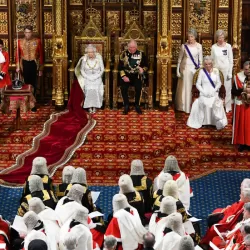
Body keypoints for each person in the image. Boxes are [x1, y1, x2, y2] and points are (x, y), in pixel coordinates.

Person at [187, 56, 228, 130]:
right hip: (204, 93)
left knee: (215, 103)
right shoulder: (201, 71)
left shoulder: (216, 71)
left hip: (213, 92)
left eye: (209, 64)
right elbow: (198, 84)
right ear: (204, 64)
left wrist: (214, 90)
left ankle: (214, 123)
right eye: (206, 64)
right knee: (203, 103)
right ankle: (204, 122)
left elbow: (219, 83)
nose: (207, 66)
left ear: (212, 63)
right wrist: (203, 91)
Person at [16, 25, 43, 112]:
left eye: (29, 32)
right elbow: (17, 55)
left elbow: (41, 55)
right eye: (26, 32)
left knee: (33, 84)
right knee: (26, 84)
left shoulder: (37, 41)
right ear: (24, 33)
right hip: (24, 64)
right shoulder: (20, 42)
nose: (28, 34)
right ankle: (26, 103)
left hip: (34, 64)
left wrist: (41, 69)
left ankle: (33, 104)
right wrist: (17, 67)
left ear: (32, 32)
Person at [175, 28, 203, 113]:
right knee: (185, 87)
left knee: (193, 87)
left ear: (195, 37)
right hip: (185, 68)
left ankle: (193, 106)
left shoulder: (199, 46)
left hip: (194, 69)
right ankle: (183, 106)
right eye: (189, 36)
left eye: (191, 36)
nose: (190, 38)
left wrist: (200, 71)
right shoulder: (184, 46)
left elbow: (201, 60)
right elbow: (179, 59)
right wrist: (177, 71)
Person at [119, 39, 148, 115]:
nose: (132, 49)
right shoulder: (123, 54)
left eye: (133, 47)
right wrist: (124, 76)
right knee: (123, 88)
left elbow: (146, 66)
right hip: (127, 75)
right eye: (130, 47)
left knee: (139, 87)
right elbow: (120, 67)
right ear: (128, 47)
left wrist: (143, 70)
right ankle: (126, 105)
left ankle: (137, 105)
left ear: (136, 47)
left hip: (137, 75)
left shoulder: (141, 54)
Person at [75, 44, 104, 113]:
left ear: (94, 52)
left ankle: (95, 105)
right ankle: (89, 106)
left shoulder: (99, 58)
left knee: (95, 88)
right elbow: (82, 70)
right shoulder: (84, 59)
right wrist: (87, 77)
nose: (90, 54)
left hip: (97, 77)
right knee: (88, 88)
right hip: (87, 77)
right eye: (88, 52)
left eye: (91, 52)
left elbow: (102, 69)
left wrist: (96, 77)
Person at [211, 29, 233, 113]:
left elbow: (230, 61)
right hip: (217, 71)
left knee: (227, 89)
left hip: (226, 71)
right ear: (216, 38)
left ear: (224, 38)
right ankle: (217, 106)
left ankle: (227, 107)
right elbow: (212, 60)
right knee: (217, 89)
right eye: (219, 38)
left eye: (222, 37)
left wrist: (230, 72)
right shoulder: (213, 47)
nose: (221, 39)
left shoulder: (228, 46)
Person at [232, 61, 250, 152]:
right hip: (241, 105)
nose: (248, 71)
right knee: (242, 125)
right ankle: (242, 143)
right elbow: (233, 92)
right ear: (243, 69)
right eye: (246, 69)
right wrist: (243, 89)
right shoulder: (238, 77)